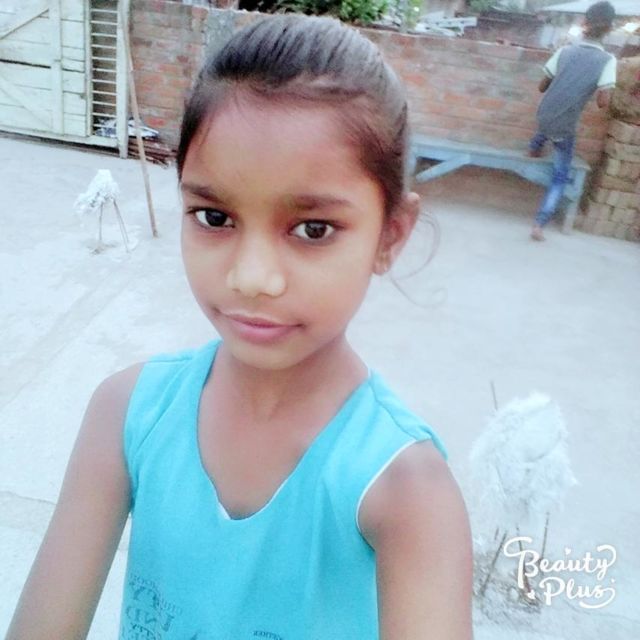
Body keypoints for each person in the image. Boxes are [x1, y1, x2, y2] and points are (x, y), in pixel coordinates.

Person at [6, 15, 473, 640]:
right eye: (214, 217)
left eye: (312, 229)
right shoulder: (126, 414)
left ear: (390, 235)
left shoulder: (407, 491)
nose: (252, 278)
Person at [529, 1, 617, 241]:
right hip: (565, 126)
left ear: (584, 23)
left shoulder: (564, 51)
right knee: (560, 176)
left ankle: (534, 146)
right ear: (610, 29)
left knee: (547, 124)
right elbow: (603, 102)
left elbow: (542, 86)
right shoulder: (607, 60)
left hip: (544, 114)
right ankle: (539, 224)